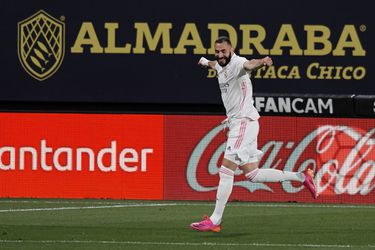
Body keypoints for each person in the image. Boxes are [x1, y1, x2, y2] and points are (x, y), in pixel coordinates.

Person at [190, 36, 318, 233]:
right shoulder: (219, 65)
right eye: (217, 51)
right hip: (238, 124)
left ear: (231, 49)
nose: (220, 54)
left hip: (243, 122)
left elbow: (251, 65)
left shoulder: (239, 63)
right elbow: (215, 65)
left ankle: (215, 219)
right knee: (252, 174)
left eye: (224, 51)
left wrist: (263, 61)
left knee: (226, 169)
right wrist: (204, 61)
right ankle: (302, 176)